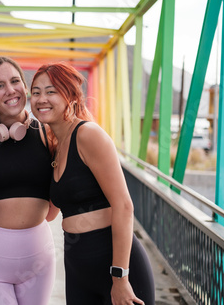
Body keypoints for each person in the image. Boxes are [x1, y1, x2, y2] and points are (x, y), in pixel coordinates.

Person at [30, 62, 155, 305]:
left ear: (71, 96)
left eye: (51, 91)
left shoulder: (88, 135)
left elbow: (124, 206)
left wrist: (120, 278)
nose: (41, 98)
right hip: (77, 267)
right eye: (35, 92)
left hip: (115, 267)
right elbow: (49, 213)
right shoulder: (56, 147)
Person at [0, 57, 59, 305]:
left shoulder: (49, 134)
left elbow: (60, 191)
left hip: (38, 260)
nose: (11, 90)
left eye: (15, 81)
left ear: (25, 86)